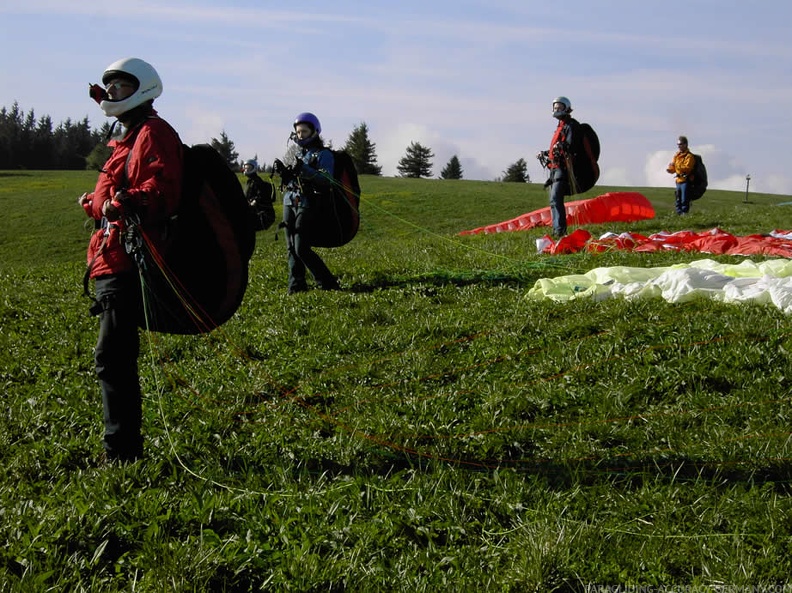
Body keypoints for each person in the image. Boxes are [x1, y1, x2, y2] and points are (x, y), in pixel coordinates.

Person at [78, 57, 183, 462]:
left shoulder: (153, 133)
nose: (112, 94)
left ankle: (121, 452)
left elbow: (163, 187)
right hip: (109, 257)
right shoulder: (124, 137)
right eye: (111, 87)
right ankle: (121, 448)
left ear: (141, 88)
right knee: (112, 355)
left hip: (129, 259)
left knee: (113, 356)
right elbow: (111, 193)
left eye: (120, 86)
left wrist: (128, 201)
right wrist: (95, 204)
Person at [272, 112, 340, 294]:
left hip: (308, 203)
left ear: (314, 132)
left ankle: (327, 282)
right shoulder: (295, 153)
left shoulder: (324, 154)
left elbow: (327, 180)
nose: (300, 135)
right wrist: (284, 174)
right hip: (289, 202)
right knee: (290, 247)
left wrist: (305, 169)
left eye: (304, 131)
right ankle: (296, 286)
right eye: (298, 132)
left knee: (300, 247)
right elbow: (290, 179)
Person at [537, 96, 581, 238]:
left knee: (556, 198)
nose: (557, 110)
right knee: (553, 200)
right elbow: (557, 146)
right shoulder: (560, 126)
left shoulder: (571, 125)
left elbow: (571, 145)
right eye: (555, 107)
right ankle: (557, 229)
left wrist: (560, 146)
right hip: (554, 167)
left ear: (567, 108)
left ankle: (560, 230)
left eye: (559, 107)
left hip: (563, 168)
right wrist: (545, 153)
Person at [242, 159, 276, 231]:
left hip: (257, 212)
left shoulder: (257, 181)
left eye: (249, 168)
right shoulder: (249, 181)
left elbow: (260, 194)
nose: (247, 169)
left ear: (254, 168)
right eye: (245, 167)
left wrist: (253, 202)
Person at [666, 135, 696, 215]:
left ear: (685, 144)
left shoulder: (689, 156)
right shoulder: (677, 156)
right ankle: (679, 215)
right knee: (678, 199)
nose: (679, 146)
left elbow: (687, 167)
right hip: (678, 181)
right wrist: (670, 169)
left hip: (686, 181)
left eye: (681, 144)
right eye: (678, 144)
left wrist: (677, 166)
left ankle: (684, 215)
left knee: (684, 200)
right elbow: (673, 167)